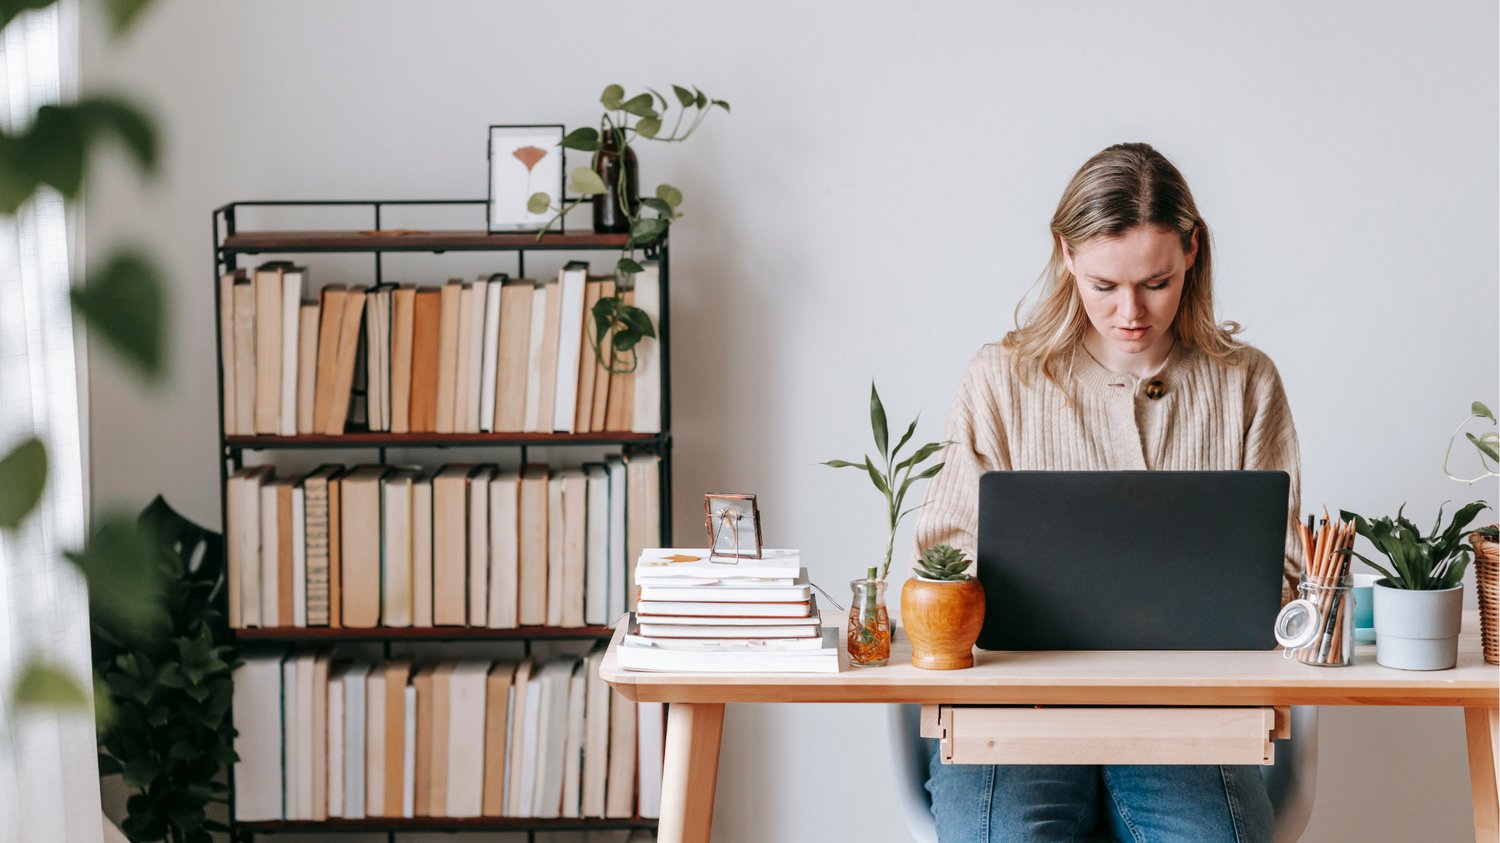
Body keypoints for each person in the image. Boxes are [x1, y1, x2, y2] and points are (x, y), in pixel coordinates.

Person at [912, 142, 1303, 843]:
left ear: (1191, 251)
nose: (1130, 311)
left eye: (1154, 282)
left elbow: (1286, 573)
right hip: (1013, 713)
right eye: (1104, 285)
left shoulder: (1247, 382)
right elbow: (944, 555)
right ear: (1065, 254)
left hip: (1189, 719)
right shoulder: (999, 378)